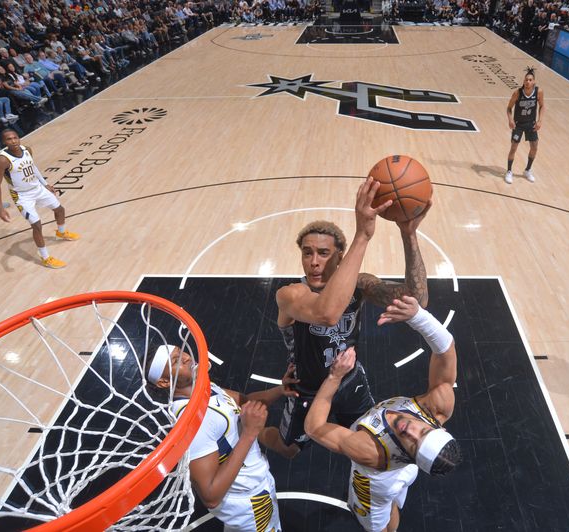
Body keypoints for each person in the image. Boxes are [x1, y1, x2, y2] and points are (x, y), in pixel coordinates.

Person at [265, 176, 431, 460]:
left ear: (340, 256)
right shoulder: (290, 294)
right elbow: (326, 314)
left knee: (367, 438)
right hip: (306, 388)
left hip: (349, 380)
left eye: (324, 253)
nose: (314, 261)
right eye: (307, 253)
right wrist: (363, 234)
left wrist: (409, 234)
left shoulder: (360, 284)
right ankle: (254, 430)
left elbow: (417, 300)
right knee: (288, 450)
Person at [305, 296, 462, 531]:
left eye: (411, 444)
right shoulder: (437, 407)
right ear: (437, 426)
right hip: (405, 473)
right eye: (421, 431)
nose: (410, 430)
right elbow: (446, 349)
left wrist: (334, 377)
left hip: (377, 485)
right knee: (396, 498)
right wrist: (418, 316)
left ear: (412, 457)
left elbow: (314, 427)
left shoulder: (368, 451)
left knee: (378, 524)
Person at [147, 344, 294, 531]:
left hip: (254, 484)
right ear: (164, 382)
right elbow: (210, 495)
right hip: (247, 501)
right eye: (176, 361)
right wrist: (249, 434)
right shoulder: (193, 421)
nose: (186, 357)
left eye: (181, 351)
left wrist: (281, 390)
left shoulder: (201, 387)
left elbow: (244, 401)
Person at [0, 129, 79, 268]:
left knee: (60, 209)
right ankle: (45, 258)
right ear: (4, 142)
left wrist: (45, 184)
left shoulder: (27, 150)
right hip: (22, 196)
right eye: (9, 139)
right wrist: (0, 208)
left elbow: (33, 167)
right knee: (37, 225)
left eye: (15, 137)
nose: (13, 141)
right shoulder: (2, 160)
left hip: (37, 188)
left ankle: (61, 233)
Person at [505, 67, 545, 184]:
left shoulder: (539, 92)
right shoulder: (517, 93)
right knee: (513, 148)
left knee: (534, 147)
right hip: (518, 124)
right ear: (523, 81)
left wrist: (540, 120)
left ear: (534, 81)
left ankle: (527, 170)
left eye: (530, 80)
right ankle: (509, 171)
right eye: (526, 80)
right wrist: (510, 120)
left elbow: (542, 106)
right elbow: (508, 108)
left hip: (531, 124)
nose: (528, 82)